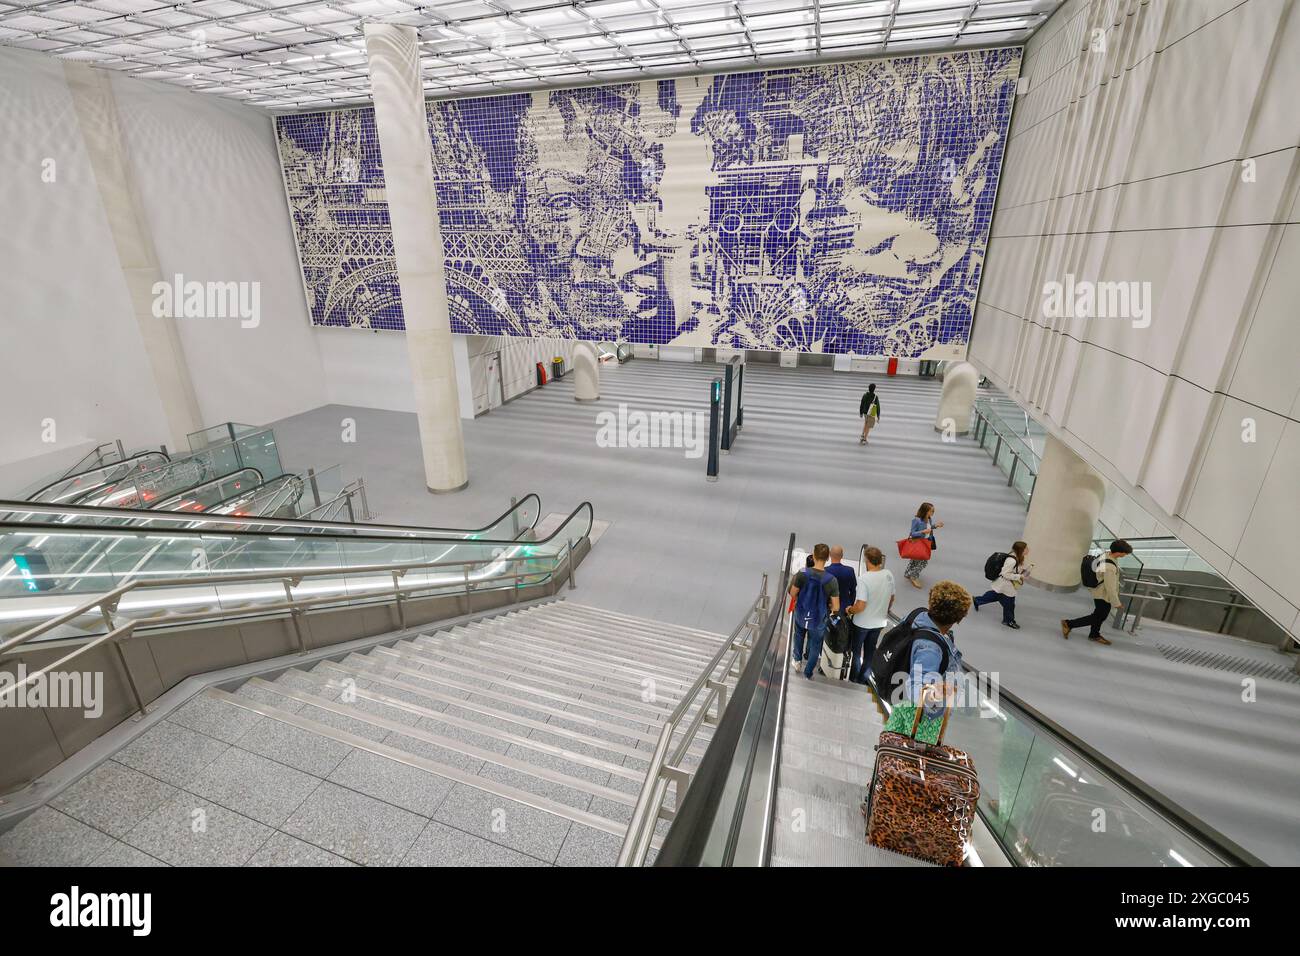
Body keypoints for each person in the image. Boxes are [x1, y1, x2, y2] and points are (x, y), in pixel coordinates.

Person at [881, 581, 970, 738]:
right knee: (917, 757)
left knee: (893, 740)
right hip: (921, 716)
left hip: (901, 698)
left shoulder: (917, 616)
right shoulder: (931, 649)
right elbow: (918, 688)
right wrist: (938, 693)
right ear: (958, 619)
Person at [1061, 539, 1132, 645]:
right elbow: (1110, 587)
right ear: (1119, 552)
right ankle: (1069, 624)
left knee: (1098, 615)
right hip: (1103, 595)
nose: (1125, 555)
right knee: (1098, 617)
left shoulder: (1106, 555)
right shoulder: (1110, 567)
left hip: (1098, 591)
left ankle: (1094, 634)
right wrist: (1116, 603)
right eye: (1124, 553)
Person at [788, 542, 840, 680]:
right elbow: (836, 607)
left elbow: (793, 593)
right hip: (818, 619)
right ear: (828, 557)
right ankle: (808, 672)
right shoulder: (832, 580)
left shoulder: (803, 573)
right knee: (816, 643)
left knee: (798, 635)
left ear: (813, 555)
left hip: (801, 613)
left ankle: (797, 660)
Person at [848, 545, 894, 684]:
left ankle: (853, 677)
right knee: (870, 652)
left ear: (867, 561)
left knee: (856, 652)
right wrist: (883, 610)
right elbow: (891, 598)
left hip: (862, 623)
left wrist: (850, 610)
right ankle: (864, 678)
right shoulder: (888, 574)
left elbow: (861, 605)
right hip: (879, 622)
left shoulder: (864, 579)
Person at [973, 541, 1030, 629]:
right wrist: (1020, 576)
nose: (1028, 550)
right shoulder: (1011, 560)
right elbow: (1005, 574)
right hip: (1006, 585)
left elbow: (1015, 569)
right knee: (1010, 604)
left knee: (995, 595)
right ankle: (1008, 621)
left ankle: (977, 600)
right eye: (1026, 548)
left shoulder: (1017, 556)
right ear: (1020, 550)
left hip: (1003, 585)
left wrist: (1023, 571)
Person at [903, 502, 943, 589]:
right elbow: (912, 533)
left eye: (933, 511)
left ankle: (907, 573)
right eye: (931, 511)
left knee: (914, 559)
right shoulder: (916, 520)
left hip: (926, 542)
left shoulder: (929, 519)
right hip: (919, 543)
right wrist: (923, 532)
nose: (933, 512)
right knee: (923, 562)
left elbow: (929, 527)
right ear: (925, 511)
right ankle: (913, 576)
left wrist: (935, 526)